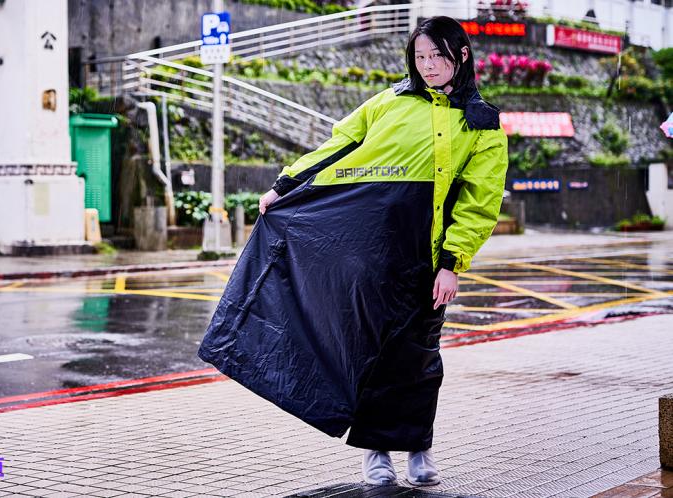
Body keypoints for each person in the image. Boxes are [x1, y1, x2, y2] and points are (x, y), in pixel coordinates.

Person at [197, 16, 508, 488]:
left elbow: (480, 202)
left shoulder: (482, 123)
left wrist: (451, 264)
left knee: (419, 355)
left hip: (424, 259)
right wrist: (288, 184)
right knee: (366, 350)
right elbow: (339, 145)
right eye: (420, 57)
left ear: (461, 55)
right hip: (365, 251)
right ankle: (375, 454)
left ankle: (418, 447)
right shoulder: (389, 102)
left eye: (437, 57)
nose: (428, 67)